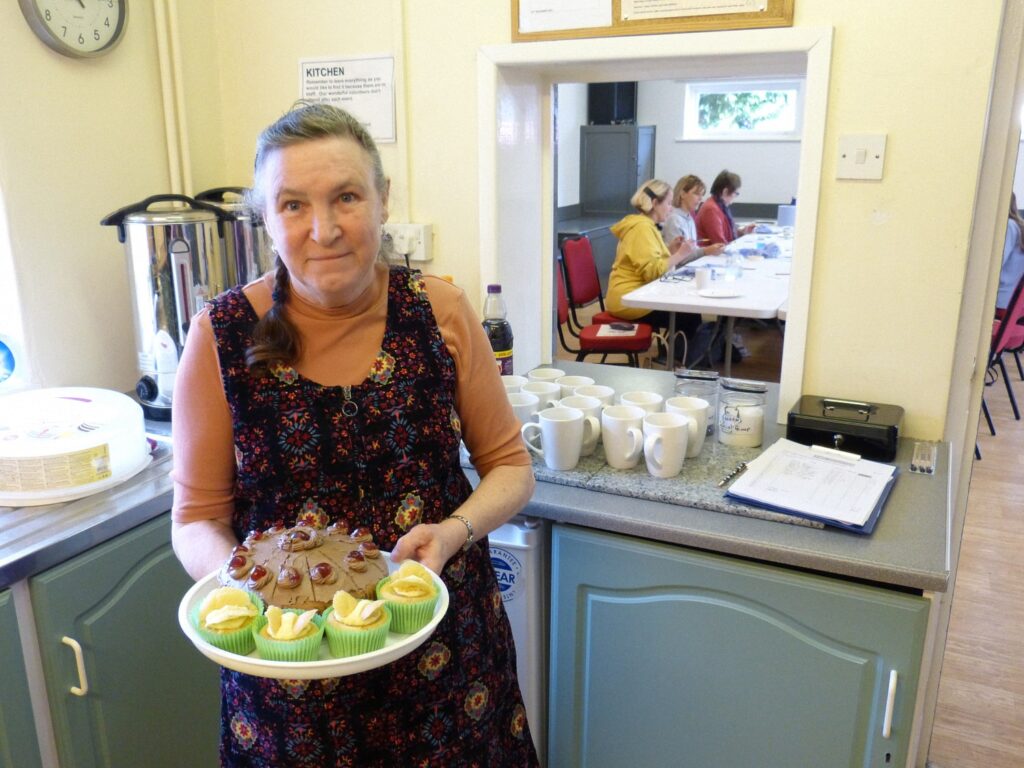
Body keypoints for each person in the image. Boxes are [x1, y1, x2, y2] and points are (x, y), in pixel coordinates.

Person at [170, 102, 538, 767]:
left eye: (346, 197)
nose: (324, 229)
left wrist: (453, 531)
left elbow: (511, 469)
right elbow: (194, 518)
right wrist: (249, 587)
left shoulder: (442, 311)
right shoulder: (221, 336)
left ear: (381, 199)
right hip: (291, 679)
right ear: (266, 218)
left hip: (442, 658)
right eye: (292, 205)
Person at [605, 179, 696, 334]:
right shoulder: (642, 229)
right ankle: (680, 356)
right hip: (628, 300)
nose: (671, 209)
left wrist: (671, 250)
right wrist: (681, 254)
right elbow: (652, 272)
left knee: (687, 312)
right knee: (688, 316)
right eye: (668, 203)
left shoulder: (645, 225)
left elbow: (651, 259)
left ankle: (677, 354)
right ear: (655, 203)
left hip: (637, 294)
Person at [662, 175, 725, 259]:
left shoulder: (689, 218)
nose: (700, 199)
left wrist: (709, 250)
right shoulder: (674, 219)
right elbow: (677, 257)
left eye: (702, 195)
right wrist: (705, 251)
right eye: (696, 194)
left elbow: (693, 249)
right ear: (683, 194)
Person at [695, 169, 755, 245]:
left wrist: (742, 232)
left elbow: (726, 235)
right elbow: (720, 243)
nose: (736, 196)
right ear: (725, 191)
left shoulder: (719, 206)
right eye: (736, 193)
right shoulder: (711, 209)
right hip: (710, 256)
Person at [997, 192, 1024, 312]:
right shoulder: (1018, 227)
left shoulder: (1008, 226)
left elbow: (996, 264)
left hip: (998, 303)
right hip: (1009, 303)